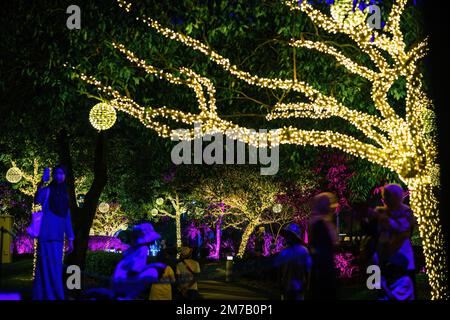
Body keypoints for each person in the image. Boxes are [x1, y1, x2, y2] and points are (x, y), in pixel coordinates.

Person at [32, 165, 75, 300]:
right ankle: (43, 296)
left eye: (61, 173)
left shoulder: (66, 195)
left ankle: (55, 296)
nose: (58, 176)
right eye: (56, 173)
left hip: (58, 238)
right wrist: (42, 181)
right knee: (43, 269)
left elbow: (67, 218)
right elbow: (37, 199)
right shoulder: (47, 190)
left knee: (55, 270)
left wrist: (71, 239)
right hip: (45, 236)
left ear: (65, 176)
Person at [371, 184, 415, 288]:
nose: (384, 199)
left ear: (397, 196)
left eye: (387, 195)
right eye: (384, 195)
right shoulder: (380, 212)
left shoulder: (406, 212)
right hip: (382, 261)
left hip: (402, 261)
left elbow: (404, 231)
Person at [112, 223, 161, 299]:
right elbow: (134, 270)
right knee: (153, 271)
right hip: (125, 283)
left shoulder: (134, 248)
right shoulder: (143, 249)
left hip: (120, 281)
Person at [308, 192, 339, 300]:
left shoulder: (319, 222)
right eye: (329, 204)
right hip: (323, 271)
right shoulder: (321, 224)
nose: (333, 208)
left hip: (322, 270)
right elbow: (322, 250)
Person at [274, 223, 312, 300]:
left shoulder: (303, 251)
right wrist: (279, 284)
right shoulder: (284, 252)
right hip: (287, 287)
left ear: (294, 237)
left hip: (297, 288)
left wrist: (307, 285)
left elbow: (307, 271)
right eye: (287, 235)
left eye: (289, 235)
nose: (287, 238)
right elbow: (279, 271)